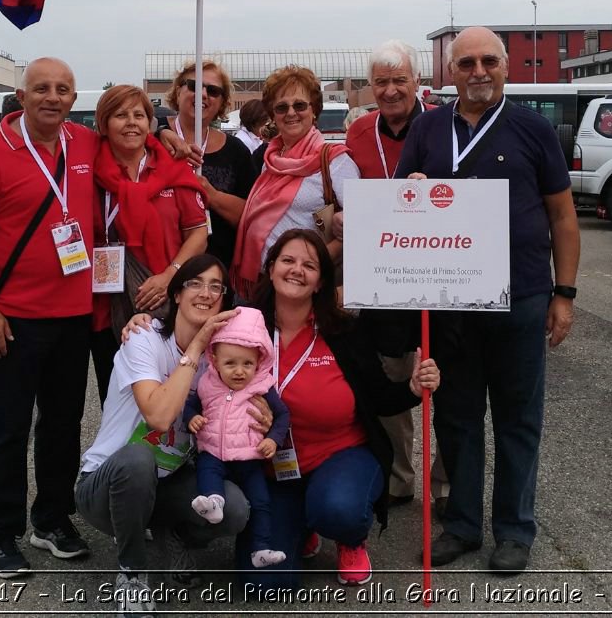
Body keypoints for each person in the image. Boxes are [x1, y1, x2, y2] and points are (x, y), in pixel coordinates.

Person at [394, 25, 580, 576]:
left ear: (506, 67)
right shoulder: (428, 128)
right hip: (451, 301)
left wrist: (564, 293)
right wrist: (415, 189)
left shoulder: (533, 129)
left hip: (520, 295)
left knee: (518, 418)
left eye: (488, 62)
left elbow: (563, 216)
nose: (478, 73)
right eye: (467, 63)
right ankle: (463, 527)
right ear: (451, 71)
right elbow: (402, 204)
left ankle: (515, 531)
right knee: (456, 417)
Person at [0, 57, 95, 577]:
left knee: (63, 425)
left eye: (62, 88)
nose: (52, 97)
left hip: (74, 314)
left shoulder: (85, 143)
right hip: (12, 318)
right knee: (7, 431)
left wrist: (168, 139)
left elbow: (137, 142)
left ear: (73, 97)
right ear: (22, 96)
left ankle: (52, 520)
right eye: (41, 89)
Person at [239, 229, 440, 589]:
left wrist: (412, 388)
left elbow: (378, 397)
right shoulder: (243, 325)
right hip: (272, 468)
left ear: (320, 283)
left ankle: (348, 536)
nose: (296, 270)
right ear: (270, 269)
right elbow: (191, 327)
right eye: (287, 260)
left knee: (337, 510)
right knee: (262, 582)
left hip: (340, 455)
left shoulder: (342, 331)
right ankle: (302, 523)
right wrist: (142, 325)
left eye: (309, 265)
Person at [76, 256, 252, 614]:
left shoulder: (221, 357)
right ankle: (132, 575)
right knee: (138, 459)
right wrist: (196, 346)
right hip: (107, 484)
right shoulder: (144, 338)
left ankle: (172, 537)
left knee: (234, 509)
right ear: (175, 294)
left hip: (167, 483)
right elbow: (158, 416)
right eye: (195, 284)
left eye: (215, 286)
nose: (205, 293)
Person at [341, 41, 449, 511]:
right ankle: (400, 476)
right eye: (380, 81)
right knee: (392, 377)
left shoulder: (444, 126)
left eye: (398, 80)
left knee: (449, 379)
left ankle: (445, 485)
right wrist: (333, 214)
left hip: (444, 269)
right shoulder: (358, 131)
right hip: (384, 274)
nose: (389, 91)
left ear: (417, 82)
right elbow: (339, 194)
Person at [90, 85, 210, 402]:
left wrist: (170, 275)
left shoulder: (173, 170)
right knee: (118, 397)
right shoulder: (87, 169)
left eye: (139, 115)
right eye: (120, 115)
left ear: (150, 122)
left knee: (173, 394)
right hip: (108, 305)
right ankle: (125, 453)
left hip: (166, 301)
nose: (131, 123)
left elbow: (198, 233)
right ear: (103, 124)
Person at [232, 65, 358, 297]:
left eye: (299, 105)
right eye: (281, 107)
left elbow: (360, 227)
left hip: (304, 284)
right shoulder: (270, 160)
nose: (291, 113)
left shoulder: (335, 161)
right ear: (272, 115)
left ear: (314, 110)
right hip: (262, 282)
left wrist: (310, 264)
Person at [181, 306, 292, 568]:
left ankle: (260, 549)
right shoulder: (207, 383)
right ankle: (214, 503)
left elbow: (283, 416)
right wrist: (191, 418)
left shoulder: (262, 386)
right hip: (212, 452)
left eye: (248, 364)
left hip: (249, 459)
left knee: (261, 502)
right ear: (215, 360)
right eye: (230, 363)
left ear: (260, 361)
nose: (239, 371)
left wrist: (273, 439)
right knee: (208, 474)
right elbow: (189, 406)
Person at [161, 61, 259, 271]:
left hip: (217, 271)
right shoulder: (154, 141)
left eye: (213, 91)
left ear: (222, 102)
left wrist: (212, 195)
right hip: (159, 269)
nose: (204, 94)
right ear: (179, 91)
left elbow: (251, 215)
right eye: (195, 86)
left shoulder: (236, 151)